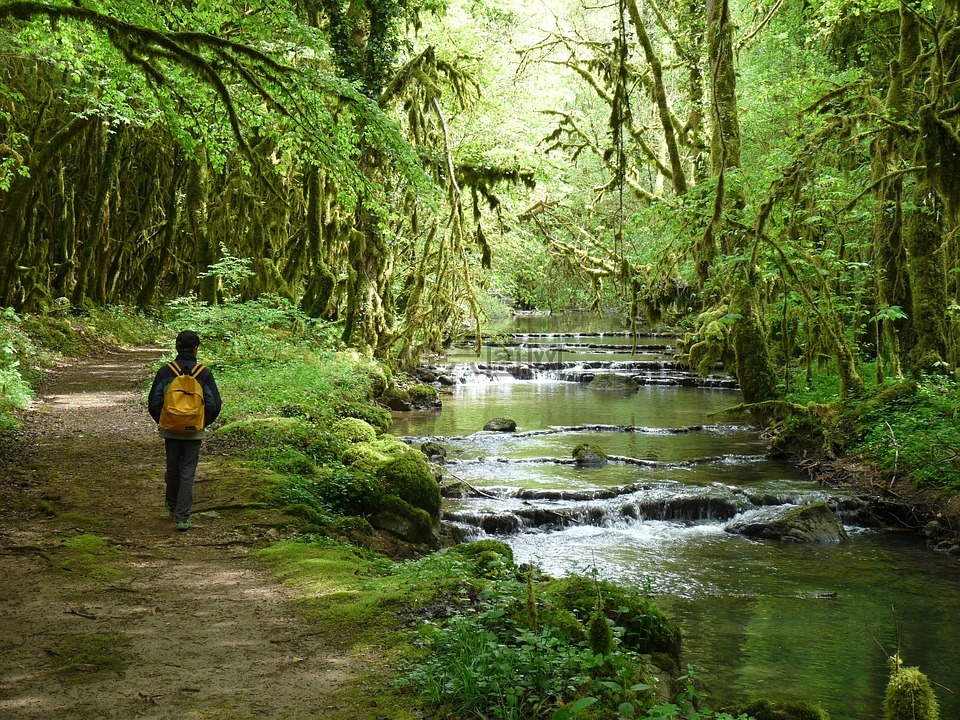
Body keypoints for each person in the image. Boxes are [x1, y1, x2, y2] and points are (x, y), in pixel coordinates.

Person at [148, 330, 223, 531]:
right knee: (187, 471)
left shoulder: (165, 372)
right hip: (193, 431)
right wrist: (200, 422)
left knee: (172, 467)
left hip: (170, 429)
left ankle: (171, 505)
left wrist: (165, 421)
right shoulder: (203, 373)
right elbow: (215, 404)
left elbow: (153, 403)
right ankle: (182, 517)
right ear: (196, 349)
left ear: (176, 347)